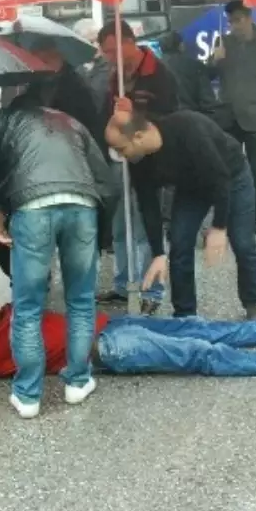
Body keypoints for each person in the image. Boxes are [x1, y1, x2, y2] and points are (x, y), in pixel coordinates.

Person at [0, 104, 116, 418]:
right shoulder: (70, 121)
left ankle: (28, 395)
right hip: (82, 204)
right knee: (80, 301)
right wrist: (103, 234)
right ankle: (78, 382)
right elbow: (106, 180)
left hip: (32, 207)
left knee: (28, 307)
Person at [0, 295, 256, 407]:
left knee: (194, 327)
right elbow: (25, 315)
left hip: (108, 325)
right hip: (107, 348)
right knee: (198, 353)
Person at [106, 104, 256, 319]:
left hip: (232, 176)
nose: (120, 156)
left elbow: (220, 178)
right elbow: (148, 206)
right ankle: (185, 313)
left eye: (121, 149)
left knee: (243, 242)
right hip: (191, 189)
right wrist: (158, 253)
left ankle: (253, 302)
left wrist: (219, 227)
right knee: (180, 244)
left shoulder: (188, 128)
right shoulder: (139, 160)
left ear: (138, 136)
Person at [95, 21, 179, 313]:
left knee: (145, 222)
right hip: (121, 157)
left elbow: (171, 117)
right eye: (104, 51)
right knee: (120, 223)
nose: (107, 56)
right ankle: (122, 284)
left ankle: (152, 290)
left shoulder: (160, 74)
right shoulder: (115, 74)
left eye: (110, 49)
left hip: (149, 158)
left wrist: (136, 114)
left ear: (128, 42)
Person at [210, 0, 256, 236]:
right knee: (226, 169)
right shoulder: (223, 42)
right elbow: (208, 74)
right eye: (231, 21)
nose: (234, 26)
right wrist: (215, 60)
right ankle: (229, 214)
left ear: (249, 18)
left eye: (238, 20)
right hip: (228, 117)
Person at [156, 31, 217, 114]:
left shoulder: (155, 67)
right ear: (181, 46)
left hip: (164, 121)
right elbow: (208, 101)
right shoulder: (195, 66)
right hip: (192, 119)